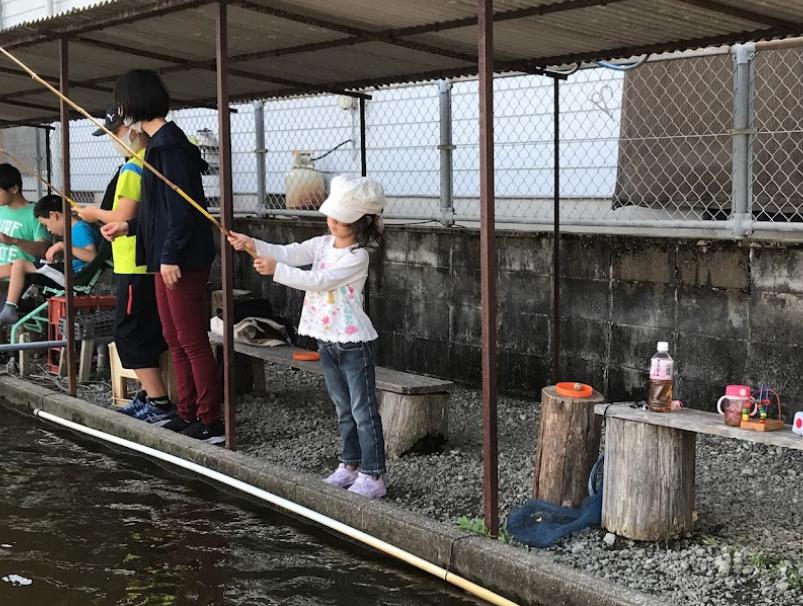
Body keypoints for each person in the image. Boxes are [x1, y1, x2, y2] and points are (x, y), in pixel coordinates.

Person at [227, 175, 387, 498]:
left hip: (353, 342)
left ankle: (374, 474)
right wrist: (253, 244)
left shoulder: (358, 257)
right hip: (326, 339)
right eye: (332, 215)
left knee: (362, 409)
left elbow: (319, 280)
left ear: (361, 223)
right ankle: (350, 464)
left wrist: (276, 270)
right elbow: (288, 252)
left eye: (340, 220)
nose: (331, 222)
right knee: (343, 406)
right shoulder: (323, 244)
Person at [101, 70, 223, 445]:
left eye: (122, 102)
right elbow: (157, 214)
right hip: (161, 258)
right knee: (173, 337)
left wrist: (170, 255)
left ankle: (211, 421)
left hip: (180, 260)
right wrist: (129, 230)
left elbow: (183, 211)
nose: (121, 113)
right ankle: (187, 413)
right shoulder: (155, 147)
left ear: (136, 101)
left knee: (191, 339)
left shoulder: (170, 146)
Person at [75, 107, 172, 424]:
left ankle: (159, 401)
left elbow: (122, 215)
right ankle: (148, 394)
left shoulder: (134, 167)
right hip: (144, 262)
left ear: (133, 130)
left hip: (136, 264)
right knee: (144, 328)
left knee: (129, 331)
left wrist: (92, 214)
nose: (114, 141)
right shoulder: (153, 164)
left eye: (115, 133)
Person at [0, 194, 98, 325]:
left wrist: (63, 246)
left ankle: (9, 309)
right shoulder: (75, 229)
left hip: (74, 277)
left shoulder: (79, 228)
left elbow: (92, 256)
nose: (48, 229)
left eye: (46, 225)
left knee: (20, 264)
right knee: (21, 267)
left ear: (54, 215)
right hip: (69, 272)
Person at [0, 163, 50, 317]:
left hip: (17, 281)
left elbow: (43, 250)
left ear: (14, 189)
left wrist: (14, 241)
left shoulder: (34, 214)